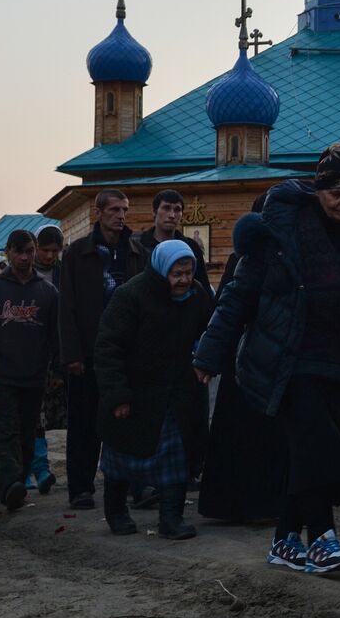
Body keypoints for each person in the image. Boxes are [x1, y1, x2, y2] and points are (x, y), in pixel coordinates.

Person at [195, 143, 340, 575]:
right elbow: (236, 297)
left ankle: (284, 539)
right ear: (318, 190)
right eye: (336, 193)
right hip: (288, 360)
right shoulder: (281, 228)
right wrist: (208, 354)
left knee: (308, 456)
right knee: (318, 448)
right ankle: (322, 539)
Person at [94, 241, 213, 539]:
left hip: (176, 392)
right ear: (161, 271)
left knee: (176, 458)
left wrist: (207, 361)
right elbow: (108, 348)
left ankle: (170, 520)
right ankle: (117, 512)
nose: (183, 280)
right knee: (121, 459)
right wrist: (117, 395)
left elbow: (211, 330)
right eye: (176, 273)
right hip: (135, 393)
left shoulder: (197, 295)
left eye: (188, 272)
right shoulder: (130, 296)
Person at [196, 196, 288, 525]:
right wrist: (211, 356)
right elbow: (228, 307)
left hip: (265, 356)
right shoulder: (247, 258)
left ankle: (247, 504)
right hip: (247, 356)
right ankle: (238, 504)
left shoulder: (284, 256)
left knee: (254, 437)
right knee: (244, 436)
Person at [59, 189, 134, 510]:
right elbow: (67, 306)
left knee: (124, 420)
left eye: (125, 210)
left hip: (124, 352)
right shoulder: (78, 253)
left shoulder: (134, 250)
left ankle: (128, 485)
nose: (121, 216)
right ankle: (81, 487)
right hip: (88, 350)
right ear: (99, 213)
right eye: (115, 209)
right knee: (83, 423)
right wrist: (71, 353)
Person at [0, 230, 60, 510]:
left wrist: (54, 373)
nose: (24, 257)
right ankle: (9, 482)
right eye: (18, 251)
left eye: (29, 251)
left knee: (28, 433)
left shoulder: (47, 292)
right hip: (1, 377)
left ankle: (20, 480)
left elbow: (55, 336)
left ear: (35, 250)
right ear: (9, 252)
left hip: (35, 376)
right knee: (3, 432)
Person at [27, 224, 66, 493]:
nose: (50, 256)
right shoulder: (22, 274)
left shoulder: (64, 273)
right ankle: (38, 468)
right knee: (32, 416)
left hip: (57, 352)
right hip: (28, 354)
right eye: (45, 250)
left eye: (55, 250)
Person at [128, 189, 212, 293]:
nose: (172, 215)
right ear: (154, 212)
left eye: (177, 210)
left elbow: (203, 288)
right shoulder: (137, 244)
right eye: (166, 208)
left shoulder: (190, 246)